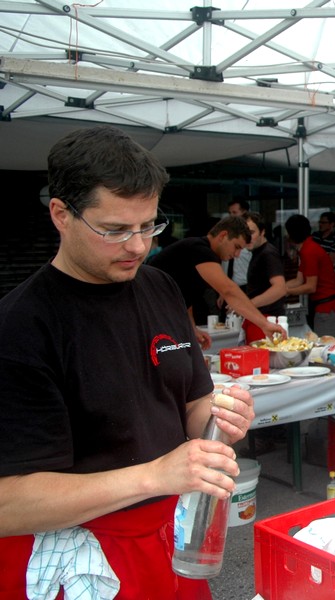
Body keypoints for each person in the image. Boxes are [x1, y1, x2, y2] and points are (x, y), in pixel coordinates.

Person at [0, 125, 256, 599]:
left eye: (149, 226)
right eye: (115, 230)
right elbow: (8, 503)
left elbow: (192, 404)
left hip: (173, 533)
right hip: (80, 553)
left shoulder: (159, 287)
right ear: (61, 214)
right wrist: (154, 475)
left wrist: (221, 417)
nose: (138, 246)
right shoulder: (21, 326)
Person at [149, 216, 286, 345]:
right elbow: (228, 290)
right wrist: (264, 324)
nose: (237, 255)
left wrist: (192, 329)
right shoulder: (200, 250)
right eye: (237, 247)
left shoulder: (202, 253)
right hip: (148, 311)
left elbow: (186, 298)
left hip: (157, 312)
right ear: (223, 236)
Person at [285, 214, 335, 337]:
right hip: (324, 306)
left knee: (323, 346)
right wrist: (278, 288)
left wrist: (286, 291)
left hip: (327, 308)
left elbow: (310, 286)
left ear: (291, 234)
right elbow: (298, 280)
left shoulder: (309, 251)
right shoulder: (307, 248)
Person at [243, 211, 288, 342]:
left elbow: (280, 289)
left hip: (266, 320)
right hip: (260, 318)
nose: (247, 237)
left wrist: (247, 305)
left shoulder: (268, 253)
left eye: (251, 232)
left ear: (262, 232)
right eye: (244, 233)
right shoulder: (259, 252)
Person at [221, 198, 253, 293]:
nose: (231, 216)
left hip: (245, 287)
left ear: (244, 212)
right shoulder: (225, 233)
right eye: (229, 213)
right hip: (226, 286)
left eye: (234, 212)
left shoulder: (251, 235)